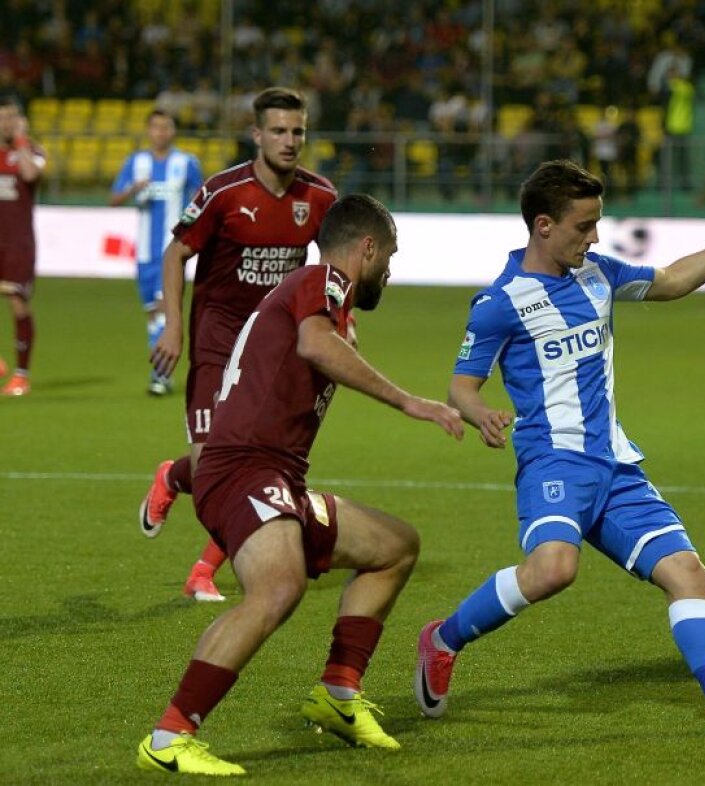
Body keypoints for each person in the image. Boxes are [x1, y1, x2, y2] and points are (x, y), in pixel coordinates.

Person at [413, 160, 705, 735]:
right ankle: (443, 639)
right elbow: (461, 386)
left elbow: (673, 280)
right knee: (553, 569)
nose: (595, 237)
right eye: (584, 226)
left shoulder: (598, 275)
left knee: (689, 574)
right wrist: (481, 415)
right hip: (553, 463)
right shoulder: (500, 302)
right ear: (544, 225)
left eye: (597, 223)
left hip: (617, 466)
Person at [136, 194, 464, 776]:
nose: (390, 271)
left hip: (273, 477)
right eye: (389, 257)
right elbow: (314, 344)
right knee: (278, 588)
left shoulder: (319, 295)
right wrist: (409, 402)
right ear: (367, 248)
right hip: (243, 470)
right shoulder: (322, 280)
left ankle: (338, 694)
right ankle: (169, 737)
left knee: (394, 547)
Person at [138, 87, 338, 603]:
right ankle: (176, 476)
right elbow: (175, 253)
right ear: (256, 135)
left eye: (297, 131)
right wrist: (173, 327)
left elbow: (333, 266)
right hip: (218, 338)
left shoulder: (320, 197)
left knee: (259, 465)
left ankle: (202, 570)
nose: (289, 141)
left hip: (272, 350)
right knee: (212, 466)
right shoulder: (224, 192)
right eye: (278, 131)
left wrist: (343, 317)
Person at [110, 110, 204, 396]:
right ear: (148, 131)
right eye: (156, 127)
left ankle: (160, 375)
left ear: (173, 131)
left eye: (166, 126)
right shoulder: (135, 162)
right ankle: (162, 371)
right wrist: (133, 189)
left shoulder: (186, 163)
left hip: (172, 251)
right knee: (152, 314)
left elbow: (202, 198)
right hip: (144, 253)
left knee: (165, 310)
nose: (161, 132)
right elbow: (114, 199)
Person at [0, 95, 46, 397]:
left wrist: (20, 141)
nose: (5, 123)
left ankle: (21, 375)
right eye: (1, 117)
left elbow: (30, 174)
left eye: (11, 117)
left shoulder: (33, 152)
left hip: (17, 243)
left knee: (17, 302)